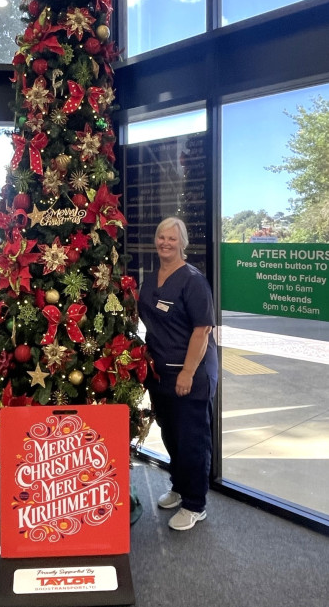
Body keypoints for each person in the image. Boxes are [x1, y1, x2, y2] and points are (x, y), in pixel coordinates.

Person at [138, 217, 218, 531]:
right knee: (171, 434)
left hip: (190, 375)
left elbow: (203, 329)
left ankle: (196, 504)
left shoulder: (193, 280)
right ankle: (179, 487)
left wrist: (187, 372)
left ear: (182, 243)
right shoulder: (151, 277)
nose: (165, 243)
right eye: (161, 237)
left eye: (172, 238)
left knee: (192, 440)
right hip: (160, 373)